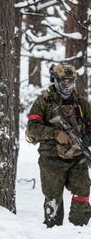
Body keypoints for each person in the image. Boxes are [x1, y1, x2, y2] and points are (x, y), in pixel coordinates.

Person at [26, 63, 91, 227]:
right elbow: (32, 128)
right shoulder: (43, 101)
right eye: (63, 81)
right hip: (51, 159)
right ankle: (53, 233)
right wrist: (55, 134)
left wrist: (85, 141)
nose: (67, 85)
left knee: (83, 191)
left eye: (70, 81)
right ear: (55, 80)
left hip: (77, 158)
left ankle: (78, 229)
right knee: (53, 198)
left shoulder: (82, 103)